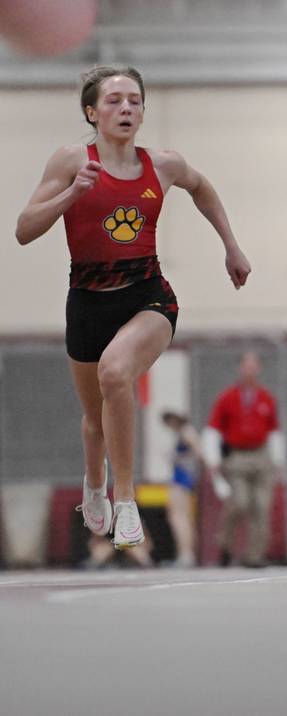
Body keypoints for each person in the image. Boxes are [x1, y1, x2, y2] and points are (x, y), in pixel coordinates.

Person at [15, 66, 251, 550]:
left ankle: (126, 499)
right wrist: (72, 192)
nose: (126, 109)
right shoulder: (69, 161)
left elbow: (202, 187)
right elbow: (24, 228)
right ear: (91, 112)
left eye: (134, 101)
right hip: (86, 299)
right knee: (95, 417)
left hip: (147, 296)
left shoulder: (162, 164)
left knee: (116, 372)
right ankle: (95, 483)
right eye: (114, 101)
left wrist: (231, 245)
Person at [203, 351, 286, 568]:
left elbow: (274, 432)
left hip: (261, 456)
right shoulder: (227, 398)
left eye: (254, 365)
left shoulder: (266, 398)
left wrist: (277, 461)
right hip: (237, 457)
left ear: (258, 369)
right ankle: (226, 545)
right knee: (240, 502)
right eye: (246, 365)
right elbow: (213, 430)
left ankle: (254, 555)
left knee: (261, 505)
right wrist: (213, 459)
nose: (250, 370)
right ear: (240, 368)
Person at [162, 411, 204, 567]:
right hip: (183, 477)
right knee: (182, 517)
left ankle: (186, 554)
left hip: (182, 478)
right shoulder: (183, 432)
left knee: (178, 517)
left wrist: (179, 459)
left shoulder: (187, 431)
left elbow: (199, 453)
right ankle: (186, 554)